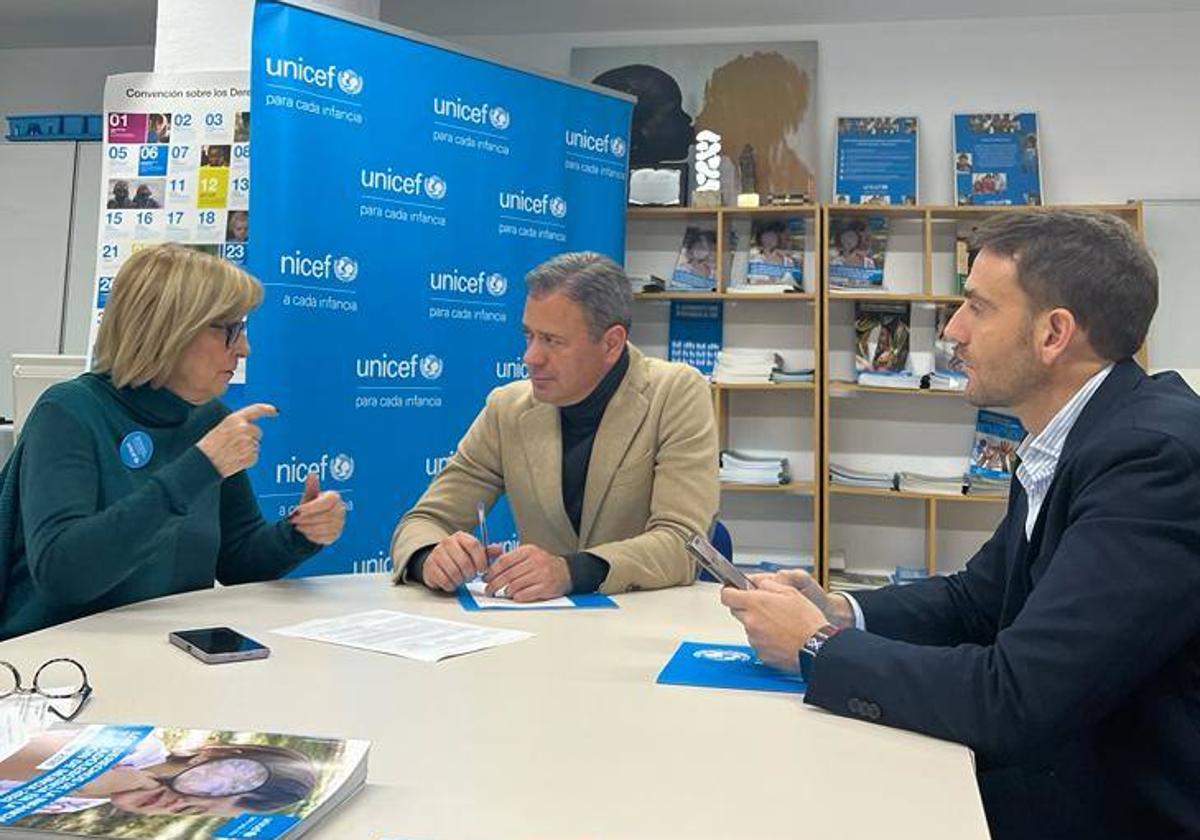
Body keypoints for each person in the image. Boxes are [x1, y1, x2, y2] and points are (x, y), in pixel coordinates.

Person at [721, 209, 1200, 839]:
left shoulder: (1150, 459)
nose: (954, 330)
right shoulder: (1081, 433)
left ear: (1054, 333)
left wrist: (816, 647)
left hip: (1106, 809)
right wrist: (840, 612)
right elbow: (977, 600)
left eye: (977, 306)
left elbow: (1017, 697)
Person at [0, 245, 346, 639]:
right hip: (61, 667)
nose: (244, 348)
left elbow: (237, 561)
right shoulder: (70, 412)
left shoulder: (208, 417)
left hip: (166, 659)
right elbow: (64, 575)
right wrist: (199, 467)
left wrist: (299, 534)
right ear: (171, 329)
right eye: (231, 329)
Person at [391, 251, 718, 601]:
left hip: (646, 626)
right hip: (542, 632)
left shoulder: (675, 392)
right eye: (528, 336)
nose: (530, 357)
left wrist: (570, 571)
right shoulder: (507, 408)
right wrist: (430, 557)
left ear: (611, 344)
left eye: (551, 341)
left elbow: (684, 543)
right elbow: (422, 522)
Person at [0, 728, 315, 816]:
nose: (176, 804)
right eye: (216, 787)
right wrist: (84, 781)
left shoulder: (96, 799)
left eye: (192, 811)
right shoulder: (133, 747)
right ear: (222, 754)